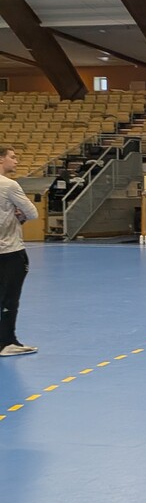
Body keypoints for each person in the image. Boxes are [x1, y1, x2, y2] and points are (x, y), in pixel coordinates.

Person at [0, 147, 38, 356]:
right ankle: (6, 342)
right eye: (12, 157)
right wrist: (19, 215)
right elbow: (32, 213)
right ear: (1, 160)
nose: (16, 161)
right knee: (10, 298)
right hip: (10, 250)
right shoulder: (9, 185)